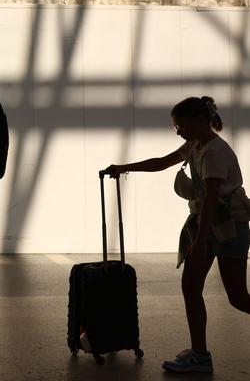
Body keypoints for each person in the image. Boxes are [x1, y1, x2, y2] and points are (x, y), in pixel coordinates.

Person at [104, 96, 250, 374]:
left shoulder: (213, 152)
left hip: (228, 228)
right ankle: (199, 354)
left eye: (180, 126)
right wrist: (125, 168)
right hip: (208, 224)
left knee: (238, 297)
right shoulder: (196, 144)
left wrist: (199, 243)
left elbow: (210, 200)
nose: (178, 131)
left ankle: (200, 355)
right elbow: (163, 162)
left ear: (198, 121)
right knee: (191, 287)